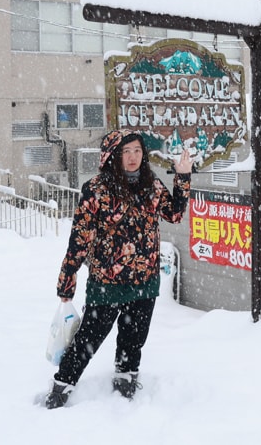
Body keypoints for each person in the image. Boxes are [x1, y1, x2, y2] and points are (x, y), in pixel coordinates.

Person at [43, 129, 192, 409]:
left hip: (145, 280)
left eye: (137, 150)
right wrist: (67, 280)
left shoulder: (152, 185)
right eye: (126, 152)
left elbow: (173, 214)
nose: (133, 157)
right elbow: (79, 239)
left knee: (133, 340)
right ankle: (61, 387)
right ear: (113, 156)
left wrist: (182, 177)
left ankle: (125, 382)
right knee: (87, 340)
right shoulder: (97, 190)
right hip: (107, 283)